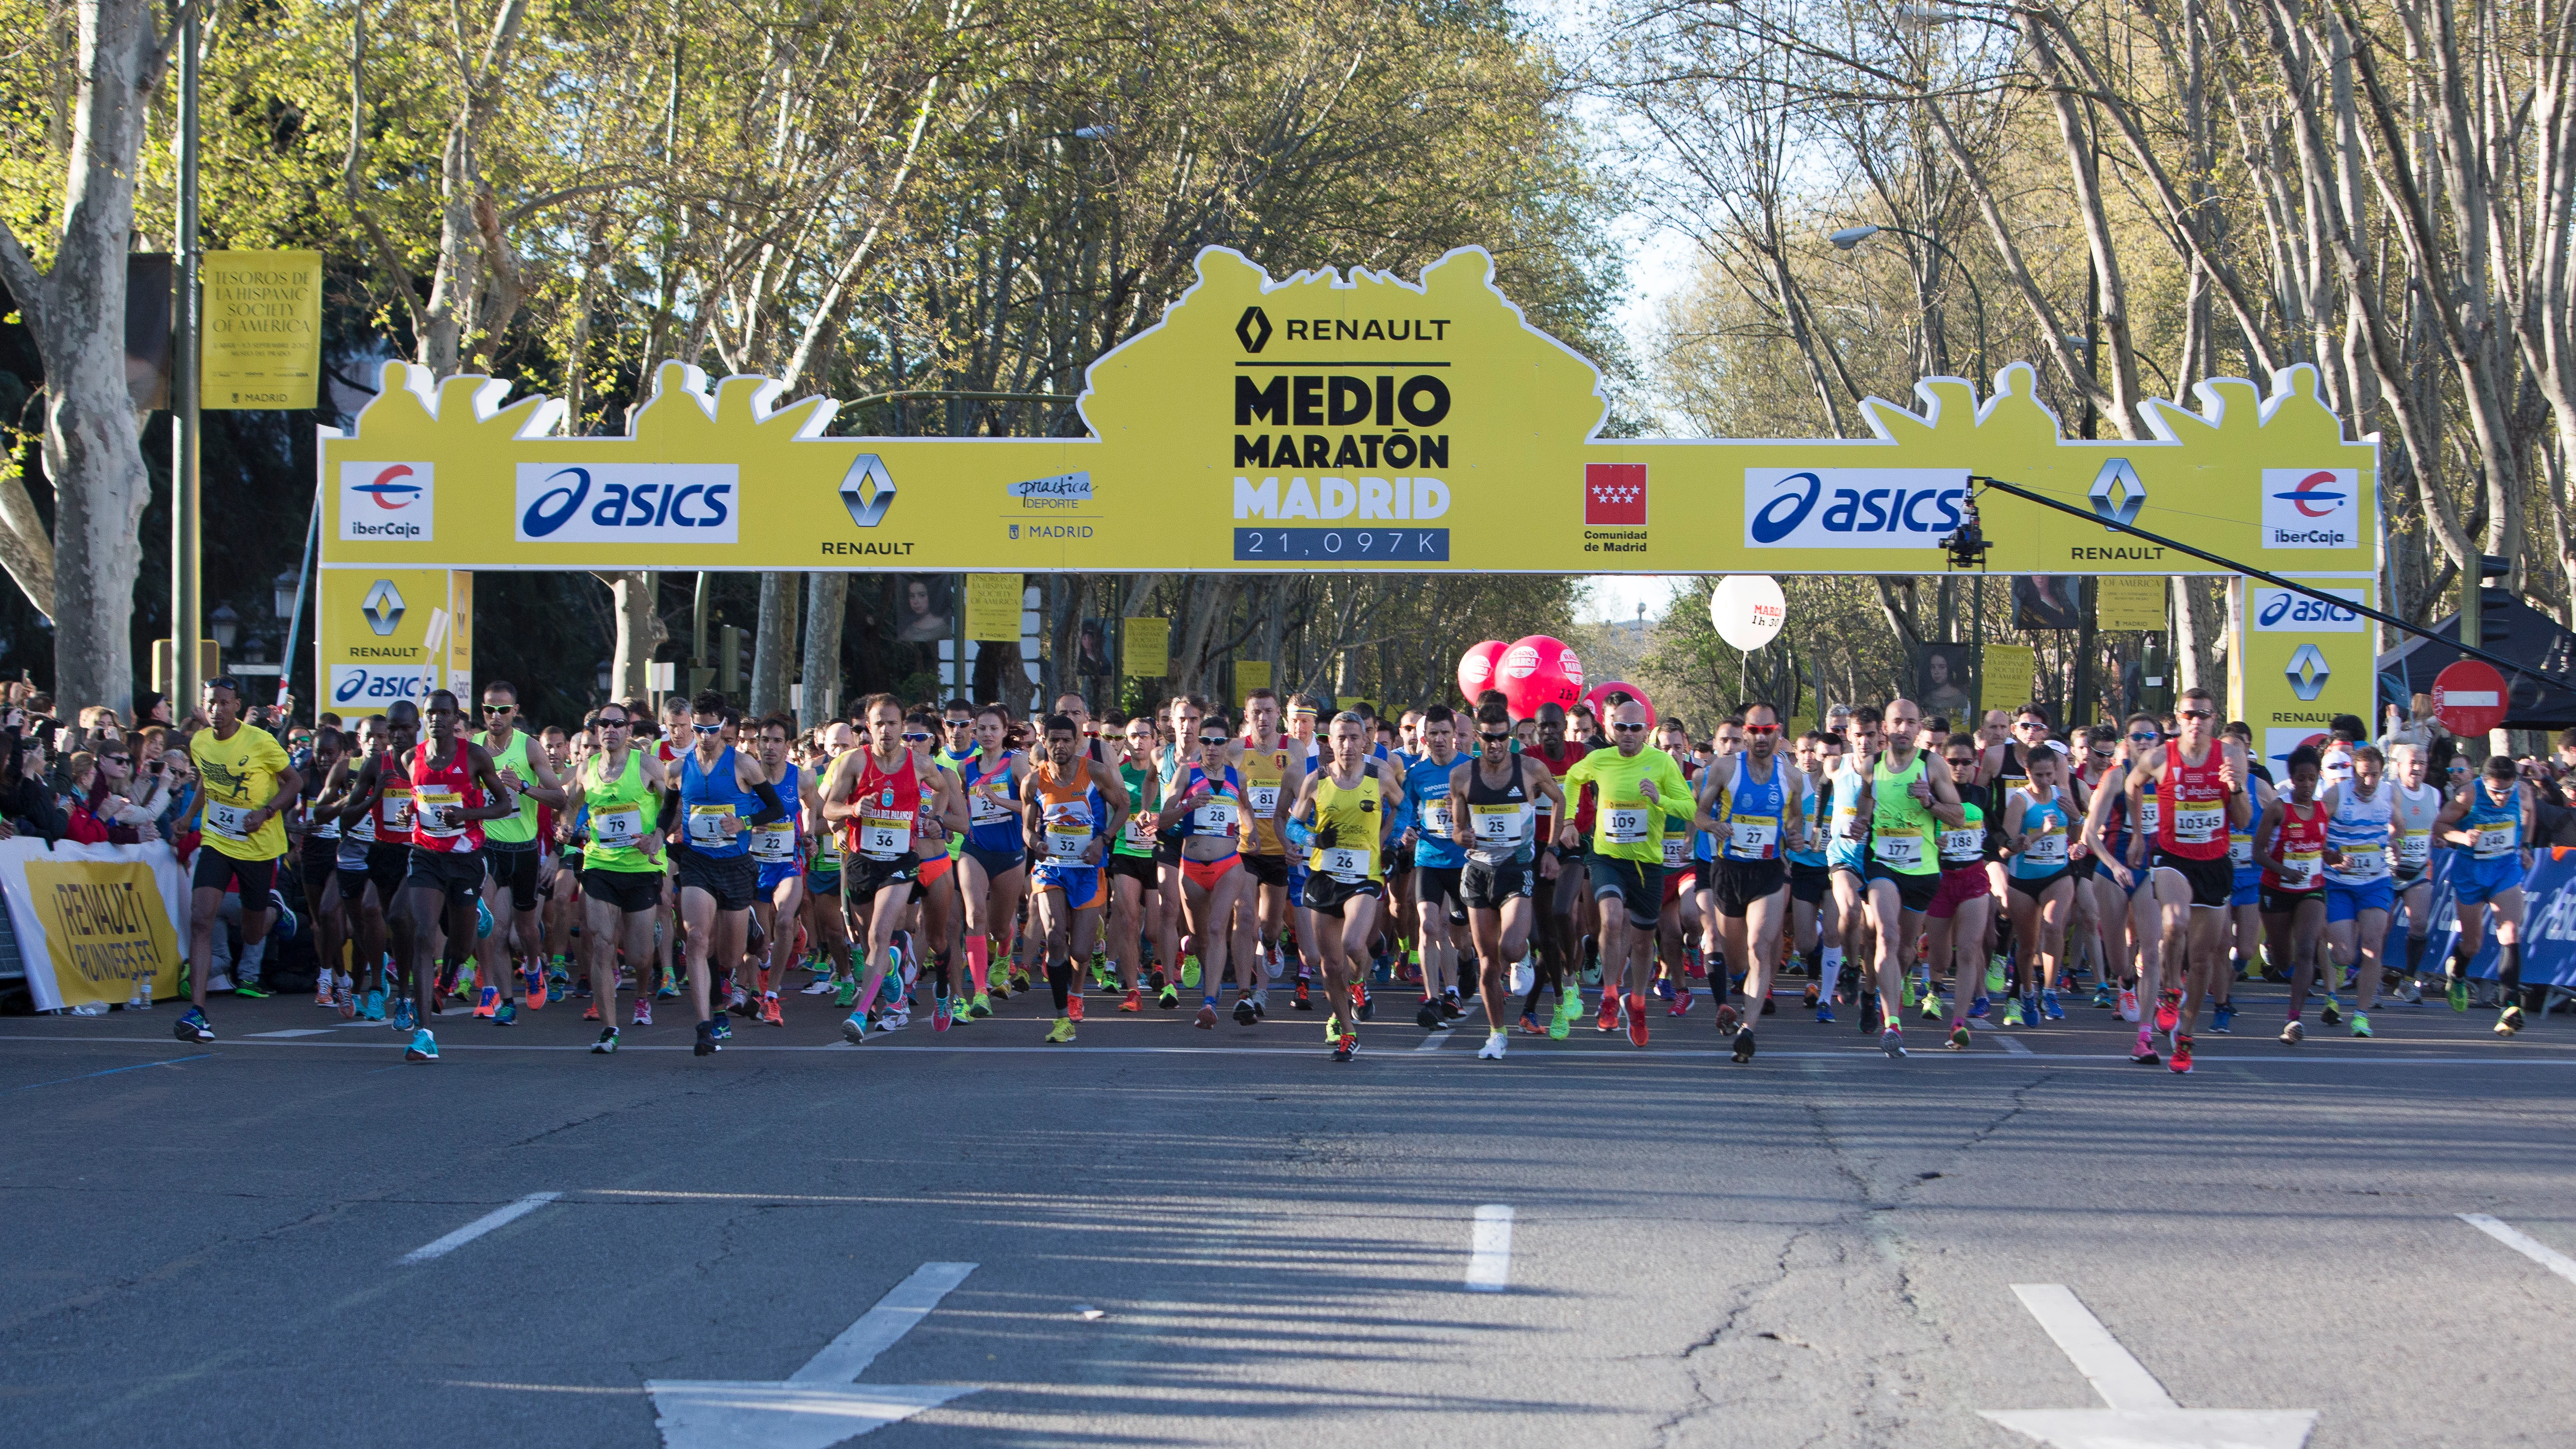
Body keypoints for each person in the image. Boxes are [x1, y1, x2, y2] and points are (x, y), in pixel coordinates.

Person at [2128, 687, 2253, 1073]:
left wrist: (2234, 789)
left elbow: (2244, 820)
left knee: (2202, 960)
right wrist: (2136, 834)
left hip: (2214, 862)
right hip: (2173, 858)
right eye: (2188, 715)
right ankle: (2169, 992)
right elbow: (2132, 784)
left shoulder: (2230, 757)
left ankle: (2186, 1035)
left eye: (2203, 715)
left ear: (2214, 718)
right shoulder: (2158, 757)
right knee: (2174, 921)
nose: (2195, 722)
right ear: (2177, 719)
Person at [1556, 698, 1692, 1050]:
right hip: (1607, 858)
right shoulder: (1599, 759)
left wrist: (1661, 799)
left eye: (1635, 728)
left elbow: (1689, 807)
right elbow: (1572, 780)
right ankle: (1609, 993)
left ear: (1647, 730)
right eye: (1621, 727)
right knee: (1612, 919)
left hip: (1647, 864)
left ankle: (1638, 1003)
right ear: (1609, 728)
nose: (1628, 734)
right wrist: (1569, 820)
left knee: (1644, 942)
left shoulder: (1662, 763)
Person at [173, 677, 301, 1045]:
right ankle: (198, 1013)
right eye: (211, 703)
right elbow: (207, 782)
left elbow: (294, 783)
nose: (217, 710)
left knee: (251, 932)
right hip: (217, 841)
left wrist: (267, 811)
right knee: (200, 919)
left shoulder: (260, 741)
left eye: (224, 703)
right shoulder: (199, 742)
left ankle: (275, 913)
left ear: (236, 704)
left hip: (258, 847)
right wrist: (187, 819)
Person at [395, 690, 521, 1061]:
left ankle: (450, 975)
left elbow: (502, 805)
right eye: (430, 713)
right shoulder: (411, 758)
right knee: (422, 934)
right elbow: (418, 800)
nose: (436, 719)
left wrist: (466, 817)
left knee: (462, 944)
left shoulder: (474, 757)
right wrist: (409, 814)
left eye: (444, 713)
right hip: (426, 855)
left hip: (466, 858)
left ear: (455, 719)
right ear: (424, 718)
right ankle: (424, 1033)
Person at [822, 695, 952, 1043]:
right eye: (878, 723)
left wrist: (935, 817)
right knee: (870, 943)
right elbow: (829, 809)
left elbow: (942, 790)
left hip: (901, 861)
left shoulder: (921, 764)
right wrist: (852, 809)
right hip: (863, 861)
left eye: (892, 723)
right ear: (868, 726)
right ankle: (894, 997)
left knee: (881, 934)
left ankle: (862, 1012)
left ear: (902, 726)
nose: (885, 730)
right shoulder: (852, 762)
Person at [1449, 699, 1566, 1059]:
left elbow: (1559, 800)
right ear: (1476, 738)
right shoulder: (1462, 777)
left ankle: (1524, 957)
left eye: (1502, 738)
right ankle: (1496, 1034)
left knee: (1511, 948)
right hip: (1479, 872)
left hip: (1516, 868)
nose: (1495, 745)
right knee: (1487, 961)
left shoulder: (1530, 769)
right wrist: (1461, 837)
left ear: (1510, 737)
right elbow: (1456, 829)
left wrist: (1550, 849)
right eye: (1488, 738)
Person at [1288, 710, 1403, 1060]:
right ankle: (1347, 1033)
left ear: (1365, 741)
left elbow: (1407, 807)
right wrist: (1314, 839)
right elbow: (1292, 828)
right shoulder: (1315, 781)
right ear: (1329, 742)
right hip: (1324, 878)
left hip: (1364, 877)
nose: (1348, 745)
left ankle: (1359, 985)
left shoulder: (1380, 776)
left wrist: (1391, 839)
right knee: (1329, 966)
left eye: (1355, 738)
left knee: (1354, 943)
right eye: (1340, 738)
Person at [1694, 700, 1805, 1062]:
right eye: (1754, 731)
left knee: (1760, 947)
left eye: (1767, 731)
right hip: (1729, 871)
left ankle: (1748, 1030)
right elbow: (1699, 813)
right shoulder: (1725, 768)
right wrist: (1713, 825)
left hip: (1768, 872)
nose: (1760, 737)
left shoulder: (1791, 775)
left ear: (1778, 733)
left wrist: (1795, 838)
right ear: (1745, 733)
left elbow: (1794, 821)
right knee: (1738, 961)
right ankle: (1741, 987)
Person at [559, 701, 672, 1054]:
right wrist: (566, 825)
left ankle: (643, 983)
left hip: (642, 868)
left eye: (617, 724)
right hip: (600, 866)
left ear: (628, 730)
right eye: (602, 724)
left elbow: (675, 803)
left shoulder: (648, 765)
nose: (609, 729)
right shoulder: (586, 769)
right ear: (595, 731)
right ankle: (609, 1029)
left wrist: (657, 836)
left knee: (638, 957)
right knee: (602, 945)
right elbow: (572, 803)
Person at [1020, 713, 1129, 1043]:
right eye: (1053, 740)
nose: (1060, 746)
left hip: (1087, 870)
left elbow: (1122, 807)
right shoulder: (1033, 782)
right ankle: (1061, 1018)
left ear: (1077, 742)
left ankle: (1089, 947)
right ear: (1044, 742)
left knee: (1079, 953)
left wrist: (1103, 839)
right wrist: (1036, 843)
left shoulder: (1094, 772)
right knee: (1055, 938)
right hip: (1051, 869)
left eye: (1066, 740)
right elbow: (1027, 827)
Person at [472, 681, 568, 1020]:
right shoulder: (473, 747)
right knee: (491, 925)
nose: (495, 717)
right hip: (488, 847)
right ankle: (502, 1000)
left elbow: (561, 799)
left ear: (514, 712)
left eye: (502, 710)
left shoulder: (529, 749)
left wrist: (524, 787)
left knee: (525, 931)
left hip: (524, 848)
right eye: (488, 710)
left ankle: (532, 966)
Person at [1157, 715, 1254, 1027]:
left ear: (1228, 745)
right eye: (1206, 741)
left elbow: (1247, 812)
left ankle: (1209, 1002)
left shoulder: (1236, 778)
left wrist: (1250, 835)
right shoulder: (1187, 773)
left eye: (1218, 742)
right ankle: (1210, 977)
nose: (1212, 748)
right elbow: (1163, 821)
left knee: (1216, 928)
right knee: (1200, 939)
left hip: (1229, 865)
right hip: (1193, 868)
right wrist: (1187, 805)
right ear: (1199, 743)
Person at [2436, 753, 2538, 1035]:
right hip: (2471, 875)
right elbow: (2440, 826)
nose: (2502, 798)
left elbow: (2529, 812)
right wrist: (2462, 837)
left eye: (2507, 791)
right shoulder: (2468, 794)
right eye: (2496, 791)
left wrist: (2527, 845)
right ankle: (2457, 972)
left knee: (2510, 932)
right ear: (2484, 782)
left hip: (2505, 870)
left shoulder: (2523, 791)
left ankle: (2510, 1007)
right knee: (2473, 945)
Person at [1400, 705, 1471, 1030]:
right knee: (1430, 925)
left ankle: (1463, 970)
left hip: (1465, 862)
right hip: (1428, 858)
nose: (1440, 739)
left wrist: (1463, 816)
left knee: (1460, 938)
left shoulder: (1471, 768)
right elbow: (1405, 813)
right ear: (1424, 738)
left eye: (1445, 733)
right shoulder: (1416, 774)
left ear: (1455, 736)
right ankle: (1436, 997)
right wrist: (1407, 831)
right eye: (1433, 734)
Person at [2317, 743, 2394, 1037]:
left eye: (2374, 775)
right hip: (2338, 883)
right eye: (2363, 776)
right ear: (2352, 773)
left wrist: (2396, 843)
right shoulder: (2336, 795)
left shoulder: (2389, 793)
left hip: (2375, 880)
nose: (2368, 782)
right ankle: (2334, 971)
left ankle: (2361, 1016)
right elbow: (2314, 832)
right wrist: (2333, 858)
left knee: (2373, 945)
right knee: (2344, 954)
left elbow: (2397, 824)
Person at [2256, 745, 2331, 1049]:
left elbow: (2317, 848)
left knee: (2305, 951)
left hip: (2311, 889)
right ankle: (2271, 948)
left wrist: (2333, 856)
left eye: (2312, 779)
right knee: (2283, 959)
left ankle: (2293, 1019)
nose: (2306, 785)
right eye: (2301, 779)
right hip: (2276, 889)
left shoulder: (2323, 809)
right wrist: (2282, 870)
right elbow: (2257, 853)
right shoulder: (2277, 809)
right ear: (2292, 779)